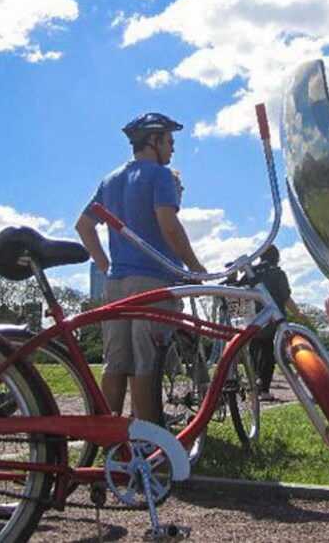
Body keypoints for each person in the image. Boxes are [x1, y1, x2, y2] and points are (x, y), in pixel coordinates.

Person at [76, 112, 206, 423]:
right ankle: (147, 441)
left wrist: (109, 267)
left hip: (117, 285)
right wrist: (196, 270)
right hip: (154, 281)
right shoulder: (160, 175)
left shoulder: (110, 180)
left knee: (116, 362)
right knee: (148, 363)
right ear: (154, 140)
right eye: (170, 141)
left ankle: (110, 439)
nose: (173, 149)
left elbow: (83, 226)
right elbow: (169, 225)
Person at [248, 245, 300, 402]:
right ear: (276, 257)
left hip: (254, 319)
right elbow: (285, 297)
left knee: (254, 353)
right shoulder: (278, 274)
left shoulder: (253, 274)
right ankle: (264, 390)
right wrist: (298, 313)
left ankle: (253, 387)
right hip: (272, 320)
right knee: (268, 355)